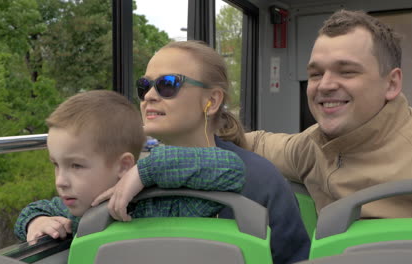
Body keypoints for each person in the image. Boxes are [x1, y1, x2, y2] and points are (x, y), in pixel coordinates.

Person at [102, 40, 310, 264]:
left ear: (211, 101)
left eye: (168, 84)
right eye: (144, 86)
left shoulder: (260, 180)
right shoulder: (127, 175)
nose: (149, 96)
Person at [245, 9, 412, 218]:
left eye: (347, 71)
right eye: (316, 74)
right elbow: (257, 144)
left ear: (391, 84)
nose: (324, 85)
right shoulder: (310, 147)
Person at [14, 90, 247, 242]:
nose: (60, 181)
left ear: (124, 166)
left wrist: (144, 172)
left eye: (76, 166)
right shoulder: (71, 211)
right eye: (56, 165)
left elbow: (232, 170)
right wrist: (38, 222)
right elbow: (32, 211)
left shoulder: (163, 207)